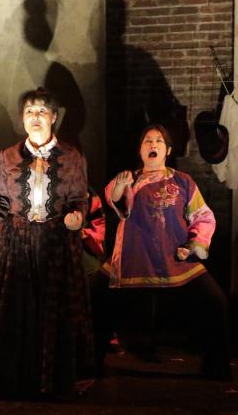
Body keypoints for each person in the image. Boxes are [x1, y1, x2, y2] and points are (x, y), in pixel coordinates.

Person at [0, 88, 94, 399]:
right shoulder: (7, 156)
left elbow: (79, 198)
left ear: (55, 117)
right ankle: (14, 379)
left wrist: (76, 216)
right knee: (14, 308)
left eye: (41, 112)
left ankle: (54, 380)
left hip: (55, 243)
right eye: (28, 112)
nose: (34, 117)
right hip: (16, 242)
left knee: (54, 310)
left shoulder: (73, 157)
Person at [93, 124, 231, 380]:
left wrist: (195, 245)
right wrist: (121, 190)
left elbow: (203, 216)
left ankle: (216, 369)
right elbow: (119, 204)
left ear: (167, 150)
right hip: (134, 260)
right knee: (96, 298)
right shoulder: (129, 179)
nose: (152, 144)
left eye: (158, 141)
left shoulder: (182, 181)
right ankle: (89, 365)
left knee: (215, 302)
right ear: (141, 150)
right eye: (147, 141)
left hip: (174, 262)